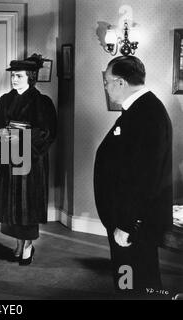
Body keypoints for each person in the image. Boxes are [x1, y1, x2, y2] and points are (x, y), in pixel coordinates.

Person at [94, 56, 172, 297]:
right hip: (125, 218)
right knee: (129, 278)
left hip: (132, 223)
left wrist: (127, 224)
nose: (105, 86)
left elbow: (145, 177)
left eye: (106, 81)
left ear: (120, 82)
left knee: (137, 281)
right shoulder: (138, 109)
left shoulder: (147, 114)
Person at [0, 57, 57, 265]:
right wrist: (1, 134)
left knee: (27, 204)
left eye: (19, 76)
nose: (14, 79)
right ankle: (18, 243)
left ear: (31, 77)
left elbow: (48, 132)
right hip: (9, 159)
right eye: (12, 75)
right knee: (11, 205)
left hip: (30, 161)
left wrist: (22, 137)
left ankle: (27, 245)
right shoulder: (5, 100)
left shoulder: (41, 101)